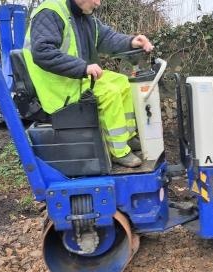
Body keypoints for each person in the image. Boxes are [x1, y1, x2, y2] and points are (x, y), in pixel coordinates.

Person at [23, 0, 154, 167]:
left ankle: (127, 136)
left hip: (74, 77)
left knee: (121, 82)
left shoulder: (83, 15)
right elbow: (42, 52)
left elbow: (106, 37)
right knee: (109, 92)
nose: (98, 3)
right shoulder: (50, 12)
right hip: (57, 86)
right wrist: (82, 67)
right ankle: (119, 151)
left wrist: (131, 42)